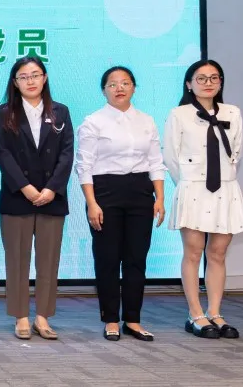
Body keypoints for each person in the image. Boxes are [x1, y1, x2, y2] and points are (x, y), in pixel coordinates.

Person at [75, 66, 166, 342]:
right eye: (112, 84)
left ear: (134, 88)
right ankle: (111, 319)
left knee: (137, 258)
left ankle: (133, 320)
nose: (119, 88)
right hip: (105, 192)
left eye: (125, 83)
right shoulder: (93, 122)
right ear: (104, 90)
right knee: (108, 258)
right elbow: (84, 166)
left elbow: (155, 162)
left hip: (140, 191)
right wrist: (92, 203)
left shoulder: (146, 121)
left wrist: (160, 197)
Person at [164, 59, 243, 339]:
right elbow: (170, 157)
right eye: (201, 78)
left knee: (218, 253)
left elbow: (236, 152)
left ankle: (215, 312)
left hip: (225, 188)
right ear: (189, 84)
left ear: (221, 83)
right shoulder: (179, 114)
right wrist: (188, 184)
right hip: (193, 188)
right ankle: (195, 314)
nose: (208, 83)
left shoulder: (233, 112)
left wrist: (224, 178)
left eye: (214, 78)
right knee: (193, 251)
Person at [0, 57, 73, 340]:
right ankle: (21, 317)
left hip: (52, 197)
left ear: (45, 78)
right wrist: (24, 187)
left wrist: (52, 188)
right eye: (23, 77)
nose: (30, 81)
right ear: (15, 83)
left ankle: (43, 317)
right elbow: (2, 152)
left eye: (35, 75)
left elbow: (67, 153)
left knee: (48, 261)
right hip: (18, 197)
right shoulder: (5, 112)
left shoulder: (61, 111)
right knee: (17, 260)